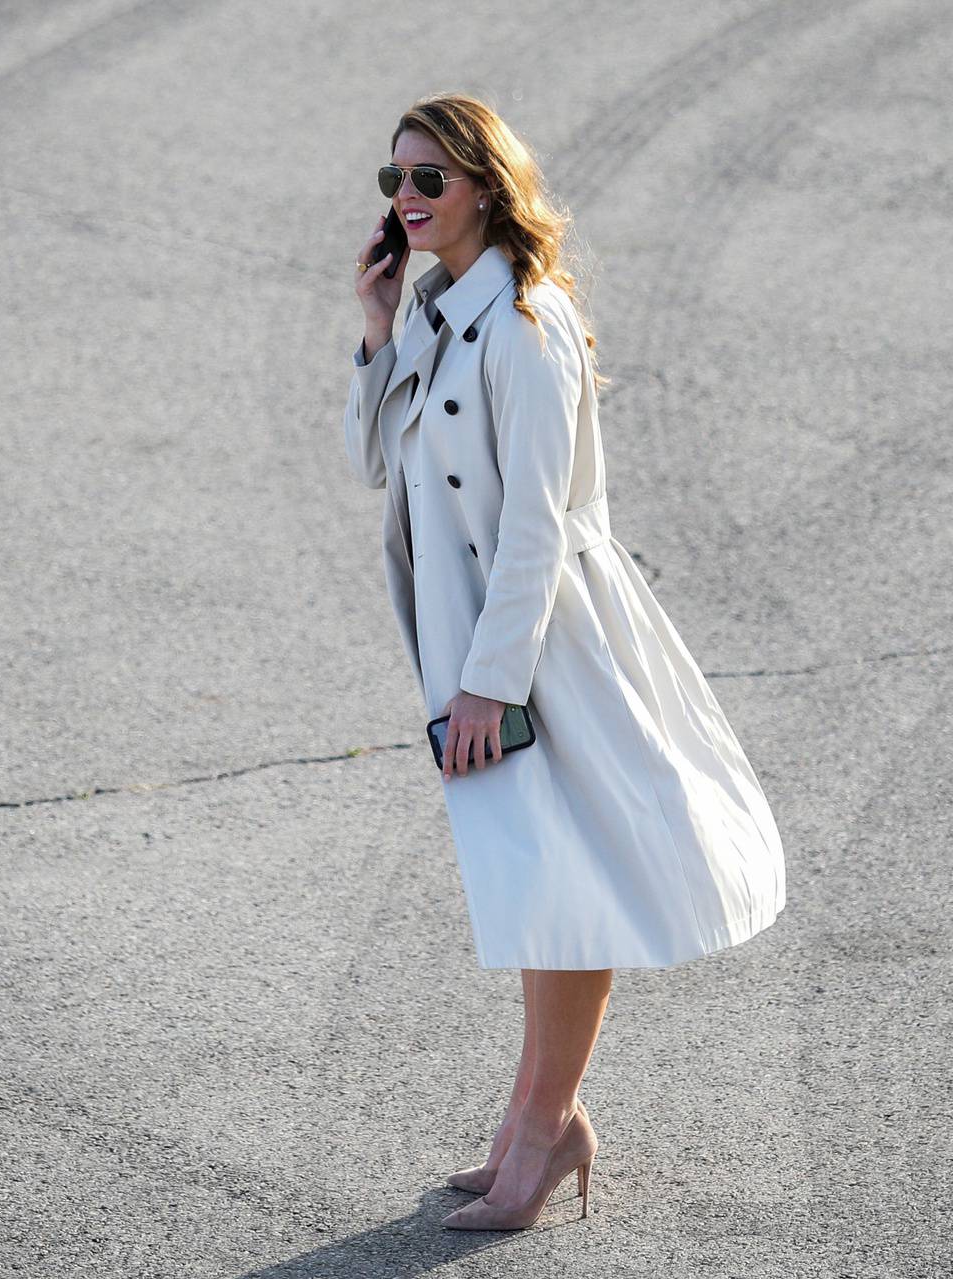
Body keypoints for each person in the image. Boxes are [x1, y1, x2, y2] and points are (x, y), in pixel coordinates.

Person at [339, 93, 787, 1231]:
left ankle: (543, 1130)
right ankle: (537, 1122)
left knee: (561, 886)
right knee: (545, 886)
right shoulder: (440, 310)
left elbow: (535, 523)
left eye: (429, 180)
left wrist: (492, 680)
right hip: (479, 637)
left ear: (487, 184)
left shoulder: (528, 325)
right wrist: (380, 326)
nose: (407, 201)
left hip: (541, 644)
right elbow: (369, 459)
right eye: (395, 181)